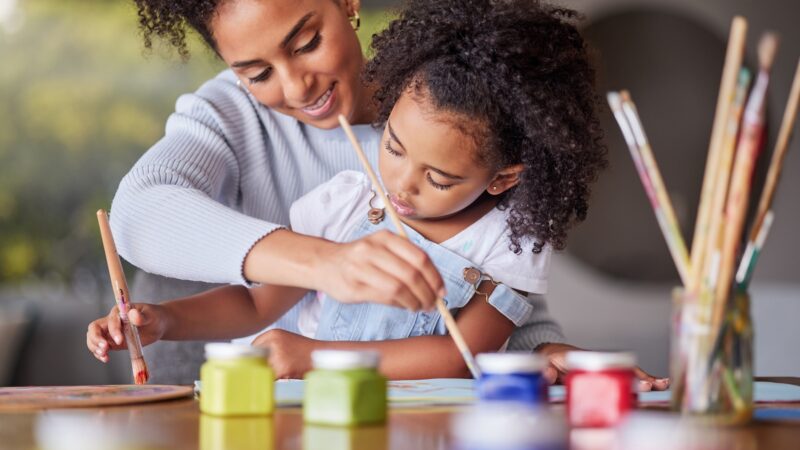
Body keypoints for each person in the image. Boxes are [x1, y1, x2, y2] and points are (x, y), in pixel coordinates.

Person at [90, 0, 668, 389]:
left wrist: (540, 357)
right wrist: (163, 319)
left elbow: (478, 344)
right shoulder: (346, 199)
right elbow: (148, 220)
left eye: (308, 42)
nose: (296, 86)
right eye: (256, 72)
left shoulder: (451, 110)